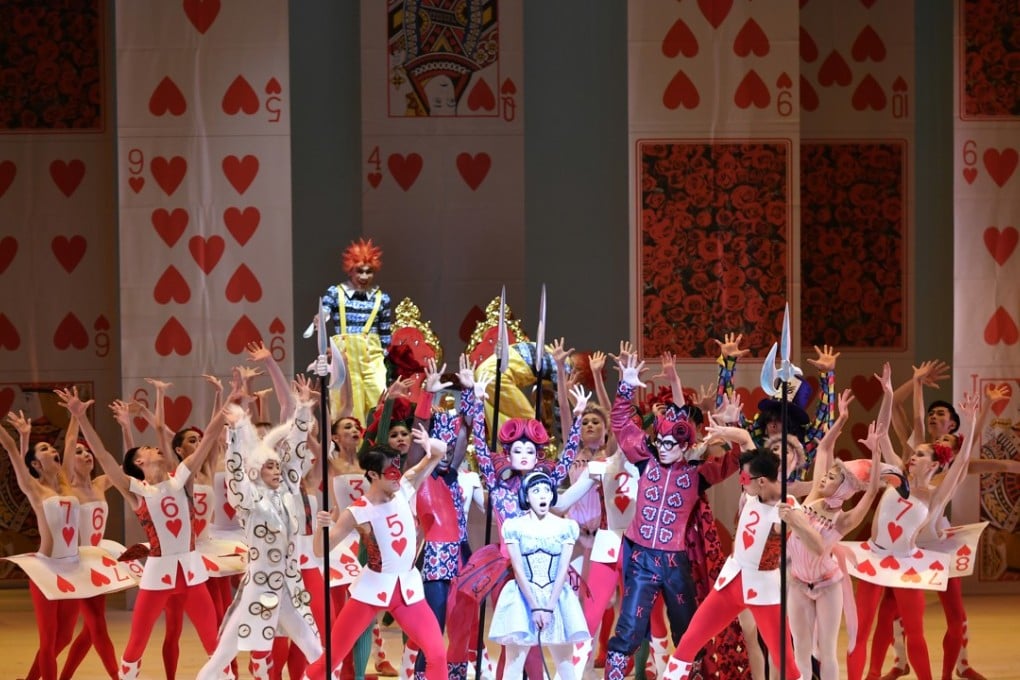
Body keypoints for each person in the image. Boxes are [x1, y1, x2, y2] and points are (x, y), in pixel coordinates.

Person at [57, 385, 229, 680]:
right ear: (139, 462)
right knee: (136, 644)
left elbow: (210, 436)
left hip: (191, 570)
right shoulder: (137, 491)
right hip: (157, 574)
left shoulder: (182, 479)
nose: (154, 448)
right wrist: (81, 418)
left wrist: (231, 398)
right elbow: (103, 455)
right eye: (147, 448)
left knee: (213, 642)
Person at [602, 352, 744, 680]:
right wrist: (625, 386)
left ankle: (689, 675)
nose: (664, 447)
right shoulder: (645, 460)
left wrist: (734, 427)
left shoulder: (697, 474)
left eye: (671, 444)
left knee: (687, 630)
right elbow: (621, 424)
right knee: (629, 628)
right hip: (641, 558)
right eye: (661, 441)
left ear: (685, 446)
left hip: (675, 561)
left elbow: (736, 460)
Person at [842, 372, 982, 680]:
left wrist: (972, 423)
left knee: (915, 634)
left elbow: (961, 463)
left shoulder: (935, 495)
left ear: (934, 463)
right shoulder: (896, 476)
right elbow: (884, 434)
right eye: (914, 453)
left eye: (919, 454)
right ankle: (870, 675)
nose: (912, 456)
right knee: (860, 632)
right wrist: (889, 395)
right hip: (874, 558)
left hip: (907, 564)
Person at [303, 426, 448, 680]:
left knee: (437, 654)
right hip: (370, 591)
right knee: (332, 658)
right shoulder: (358, 511)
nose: (397, 476)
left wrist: (429, 443)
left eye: (397, 469)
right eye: (390, 472)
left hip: (407, 590)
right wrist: (320, 528)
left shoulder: (405, 486)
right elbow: (320, 550)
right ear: (372, 474)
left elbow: (439, 452)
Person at [2, 410, 135, 680]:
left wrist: (75, 413)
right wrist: (21, 436)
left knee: (64, 637)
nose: (53, 450)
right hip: (46, 569)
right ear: (36, 464)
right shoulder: (34, 489)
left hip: (74, 568)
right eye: (45, 449)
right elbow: (12, 448)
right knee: (49, 640)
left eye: (53, 447)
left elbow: (72, 439)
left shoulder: (65, 484)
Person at [196, 397, 322, 680]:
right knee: (224, 654)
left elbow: (295, 453)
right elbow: (235, 473)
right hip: (261, 587)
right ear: (256, 472)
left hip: (288, 585)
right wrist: (237, 432)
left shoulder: (286, 492)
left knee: (312, 645)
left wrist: (303, 410)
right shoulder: (249, 501)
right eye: (270, 468)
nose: (277, 471)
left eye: (277, 467)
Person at [659, 449, 803, 680]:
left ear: (761, 480)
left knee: (784, 660)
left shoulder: (787, 508)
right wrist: (729, 431)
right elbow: (746, 444)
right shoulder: (752, 494)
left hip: (764, 590)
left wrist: (797, 522)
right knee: (689, 640)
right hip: (731, 582)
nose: (741, 482)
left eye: (744, 478)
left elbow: (812, 540)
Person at [785, 388, 883, 680]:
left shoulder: (844, 520)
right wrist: (841, 420)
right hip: (797, 582)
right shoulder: (813, 497)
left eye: (830, 478)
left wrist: (876, 454)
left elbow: (871, 492)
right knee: (801, 648)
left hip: (827, 585)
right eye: (826, 475)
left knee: (826, 651)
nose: (823, 478)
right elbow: (824, 450)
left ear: (843, 489)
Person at [488, 471, 591, 679]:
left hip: (556, 598)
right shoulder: (514, 527)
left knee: (565, 665)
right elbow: (518, 569)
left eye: (546, 490)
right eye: (536, 491)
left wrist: (549, 607)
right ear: (526, 496)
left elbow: (562, 570)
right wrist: (535, 607)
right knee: (514, 665)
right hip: (523, 599)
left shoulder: (565, 527)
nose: (543, 495)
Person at [320, 238, 393, 422]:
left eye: (369, 272)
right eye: (360, 271)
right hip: (346, 361)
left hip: (372, 360)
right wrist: (321, 318)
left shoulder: (381, 299)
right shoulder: (336, 293)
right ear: (350, 270)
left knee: (379, 404)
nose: (364, 276)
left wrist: (384, 358)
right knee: (347, 407)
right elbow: (324, 312)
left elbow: (385, 336)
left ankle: (378, 440)